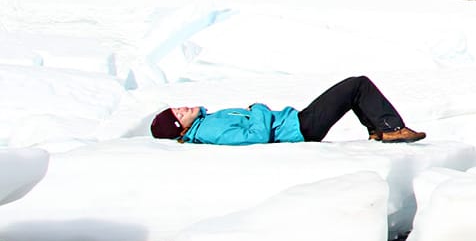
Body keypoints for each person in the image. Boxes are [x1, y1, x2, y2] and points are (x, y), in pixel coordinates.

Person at [149, 75, 427, 145]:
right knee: (357, 86)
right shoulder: (210, 129)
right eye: (180, 114)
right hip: (299, 129)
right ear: (181, 128)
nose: (184, 108)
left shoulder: (207, 122)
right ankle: (390, 129)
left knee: (353, 91)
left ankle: (380, 131)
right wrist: (258, 107)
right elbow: (255, 137)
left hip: (295, 124)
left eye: (178, 107)